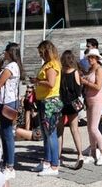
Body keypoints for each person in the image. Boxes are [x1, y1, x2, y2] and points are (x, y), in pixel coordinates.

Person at [0, 43, 22, 182]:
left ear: (10, 52)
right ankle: (6, 162)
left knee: (7, 134)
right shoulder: (13, 65)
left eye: (5, 51)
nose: (3, 53)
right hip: (8, 101)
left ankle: (10, 165)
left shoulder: (11, 67)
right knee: (5, 133)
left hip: (7, 102)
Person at [34, 40, 62, 176]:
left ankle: (54, 165)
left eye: (41, 52)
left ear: (47, 51)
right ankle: (47, 161)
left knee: (51, 133)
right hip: (43, 100)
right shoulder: (47, 64)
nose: (40, 55)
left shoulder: (52, 65)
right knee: (45, 133)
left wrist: (38, 81)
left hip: (50, 101)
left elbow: (51, 83)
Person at [56, 50, 84, 171]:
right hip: (73, 104)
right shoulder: (75, 72)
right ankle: (80, 154)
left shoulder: (60, 72)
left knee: (60, 131)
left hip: (61, 103)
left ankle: (58, 156)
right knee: (74, 129)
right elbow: (78, 91)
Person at [80, 48, 102, 166]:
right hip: (89, 100)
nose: (90, 59)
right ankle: (92, 153)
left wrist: (85, 82)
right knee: (89, 128)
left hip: (97, 100)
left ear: (96, 58)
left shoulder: (99, 69)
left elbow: (98, 86)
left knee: (93, 128)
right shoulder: (90, 69)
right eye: (89, 57)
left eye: (92, 57)